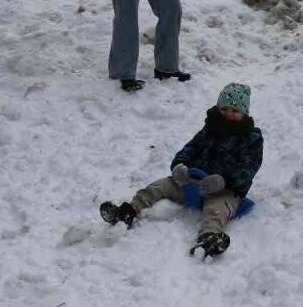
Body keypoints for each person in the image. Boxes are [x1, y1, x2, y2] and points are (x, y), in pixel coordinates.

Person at [100, 83, 263, 257]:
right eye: (225, 109)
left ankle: (209, 237)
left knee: (216, 210)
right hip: (194, 182)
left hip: (225, 190)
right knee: (160, 186)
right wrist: (180, 164)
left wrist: (225, 180)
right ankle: (128, 211)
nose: (229, 114)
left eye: (235, 111)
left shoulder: (251, 138)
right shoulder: (210, 128)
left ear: (244, 112)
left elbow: (249, 167)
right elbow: (191, 148)